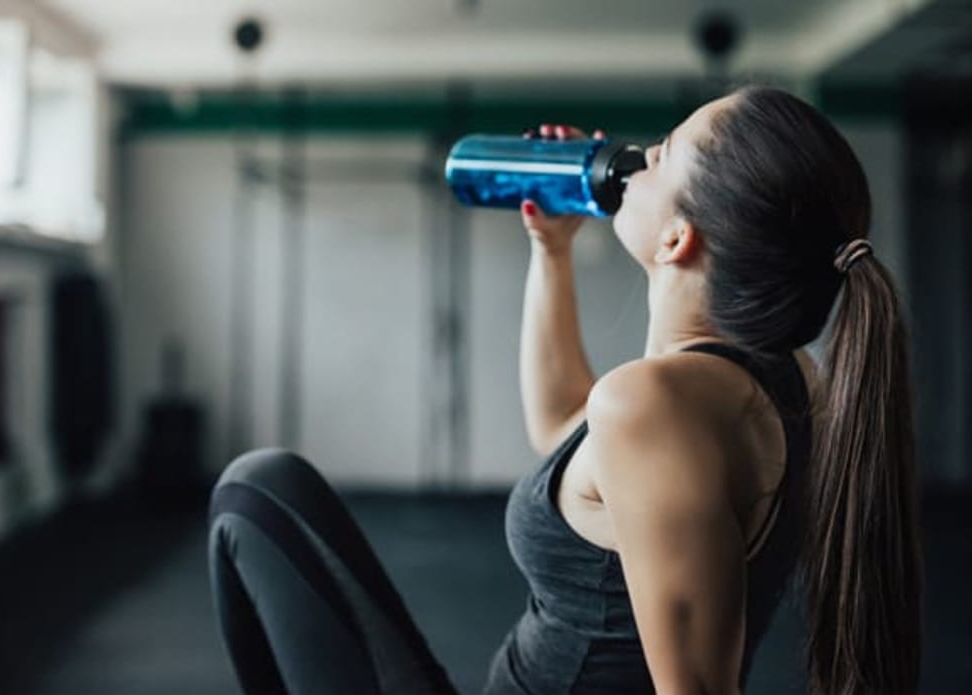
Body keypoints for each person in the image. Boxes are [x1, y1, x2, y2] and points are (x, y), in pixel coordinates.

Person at [208, 85, 923, 694]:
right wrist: (552, 249)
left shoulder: (654, 404)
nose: (634, 158)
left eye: (662, 154)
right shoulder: (784, 376)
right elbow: (560, 429)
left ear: (677, 238)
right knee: (262, 487)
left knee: (256, 489)